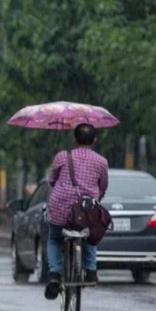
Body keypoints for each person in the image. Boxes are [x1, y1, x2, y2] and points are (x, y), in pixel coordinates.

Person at [44, 123, 109, 300]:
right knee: (89, 236)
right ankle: (91, 271)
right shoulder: (101, 162)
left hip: (60, 208)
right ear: (94, 140)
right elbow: (103, 186)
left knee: (55, 239)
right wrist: (97, 198)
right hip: (86, 210)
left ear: (75, 139)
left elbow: (51, 180)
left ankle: (55, 275)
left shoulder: (62, 157)